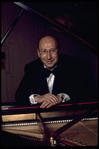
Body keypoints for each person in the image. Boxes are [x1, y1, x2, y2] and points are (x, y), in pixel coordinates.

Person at [15, 35, 79, 108]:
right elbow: (19, 95)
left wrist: (61, 97)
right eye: (44, 51)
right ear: (39, 53)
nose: (49, 57)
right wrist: (38, 98)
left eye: (52, 50)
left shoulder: (71, 63)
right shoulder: (32, 67)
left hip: (66, 112)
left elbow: (80, 91)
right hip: (42, 113)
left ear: (59, 51)